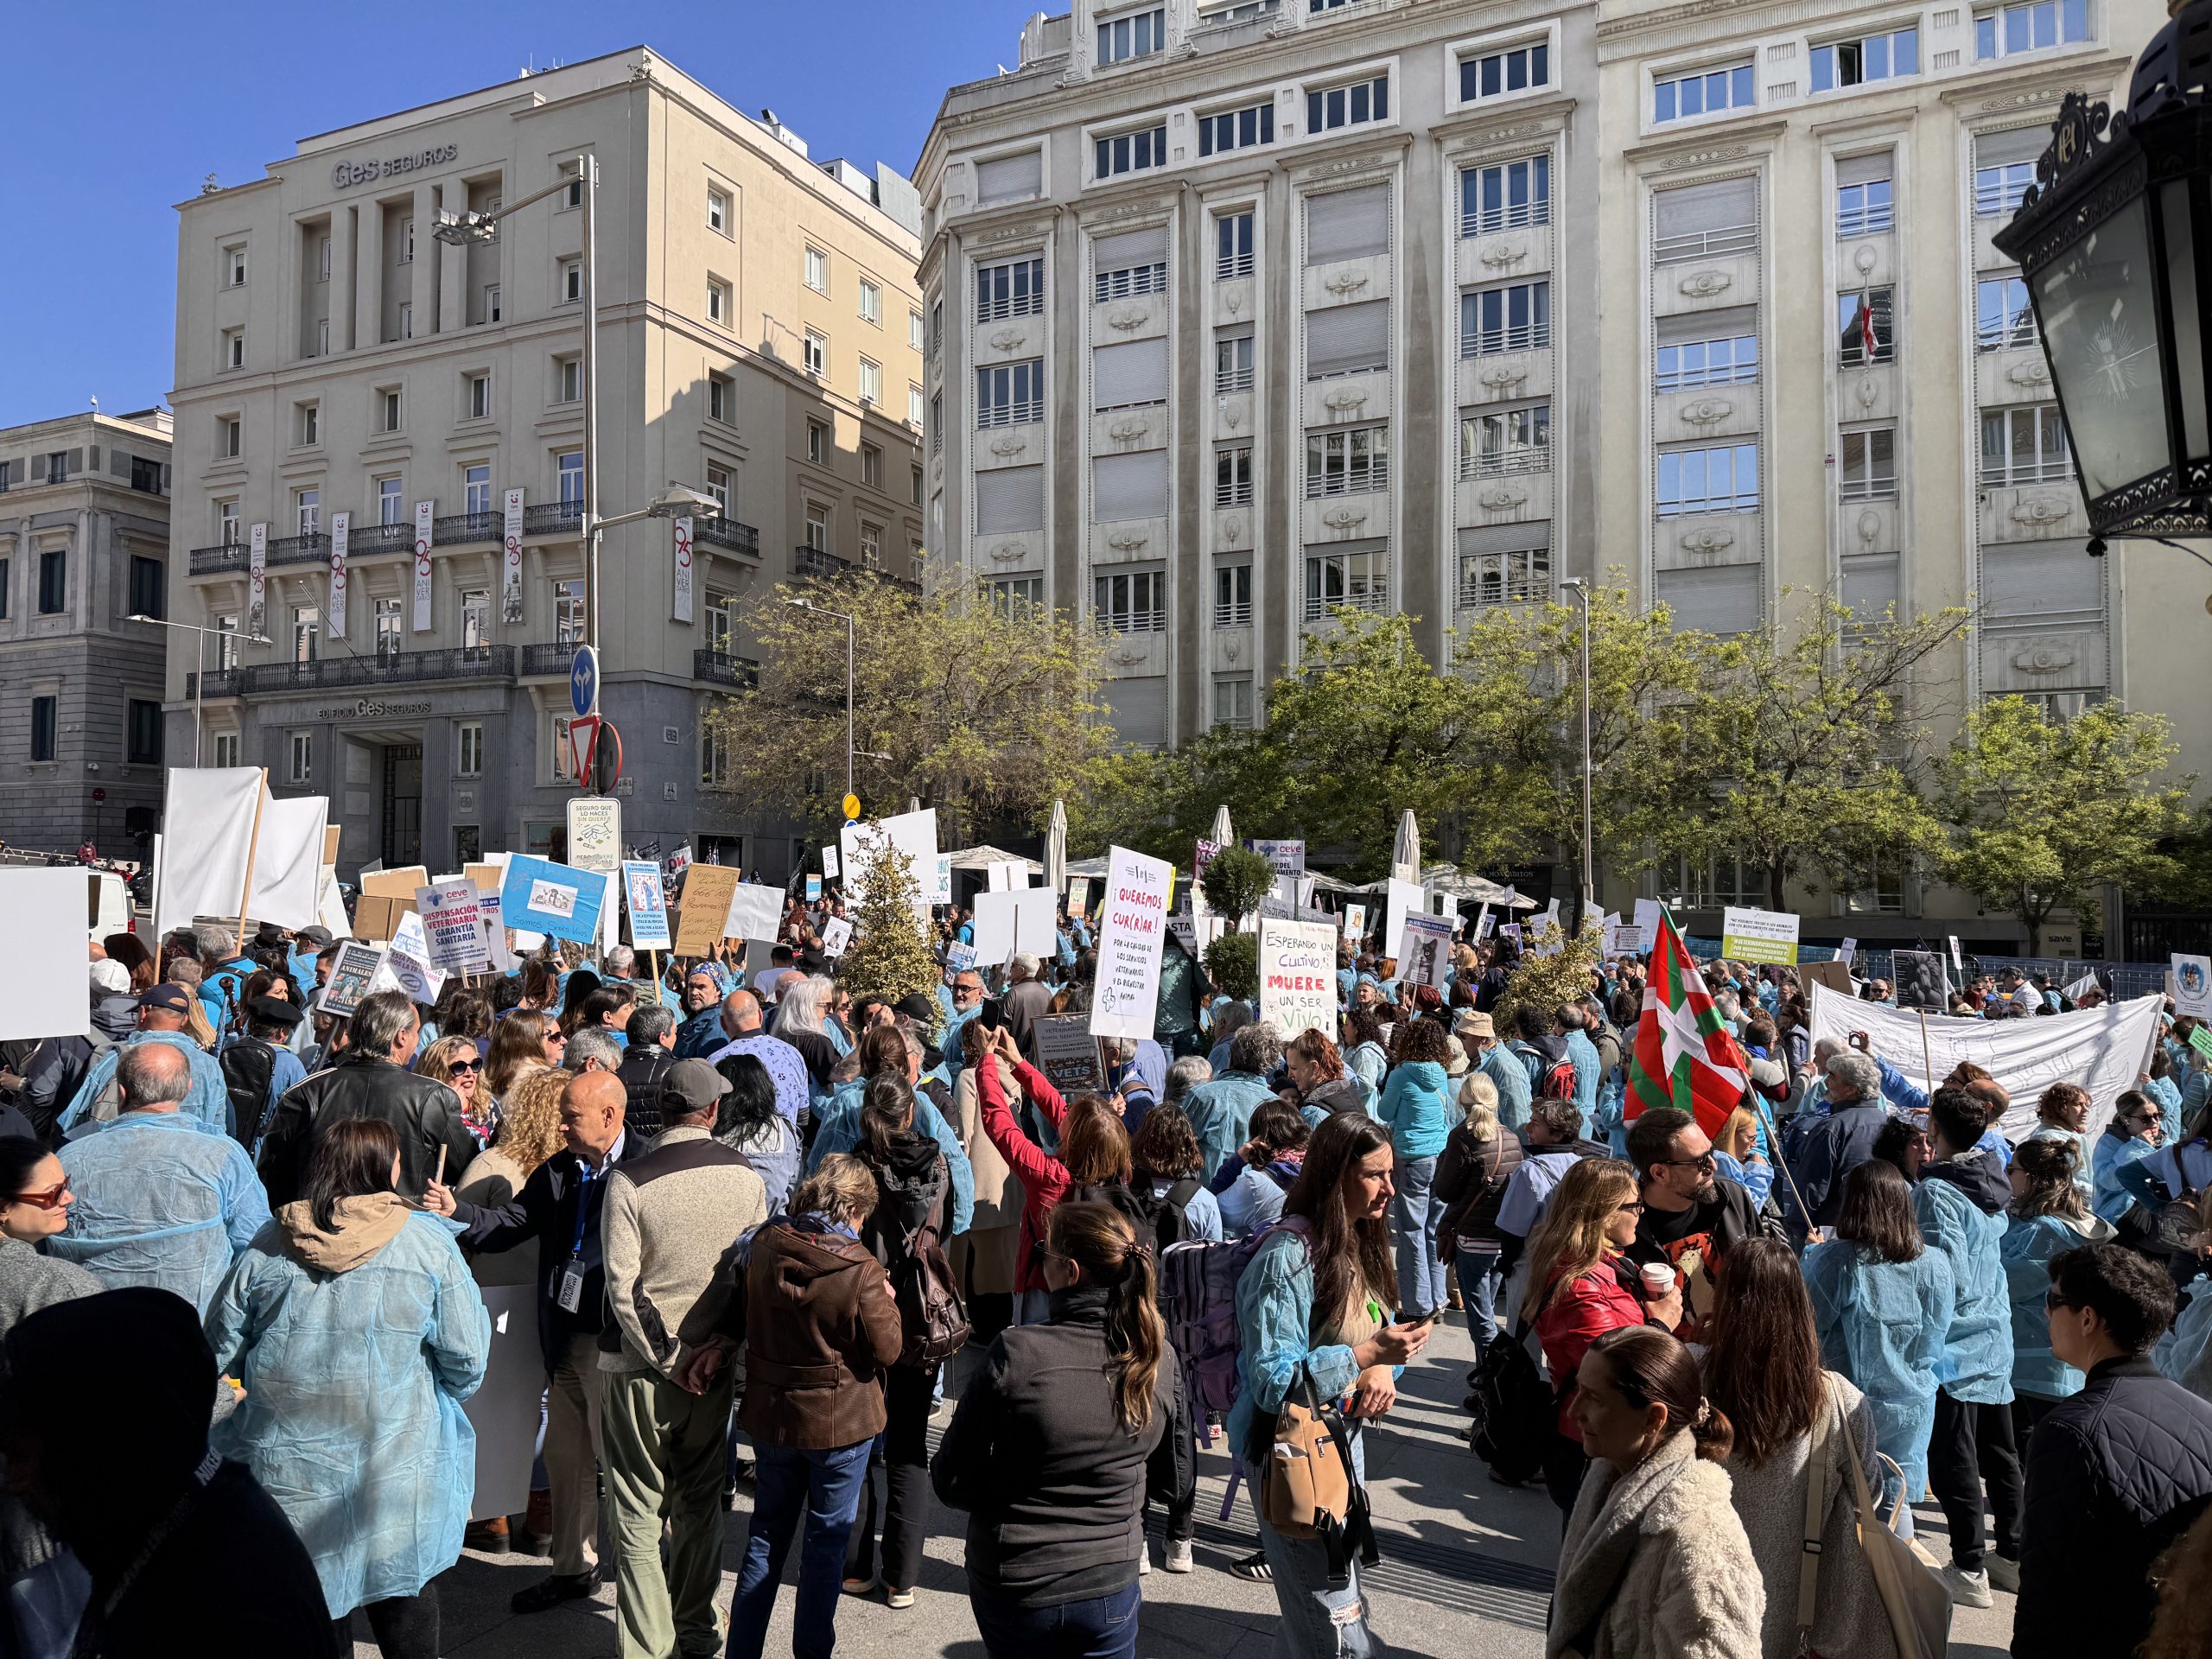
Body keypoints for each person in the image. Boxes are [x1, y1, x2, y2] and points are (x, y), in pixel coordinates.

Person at [208, 1116, 490, 1655]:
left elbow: (218, 1347)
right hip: (397, 1461)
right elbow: (467, 1358)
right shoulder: (426, 1245)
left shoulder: (269, 1242)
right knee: (404, 1596)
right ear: (389, 1168)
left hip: (289, 1469)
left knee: (313, 1611)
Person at [0, 1287, 340, 1657]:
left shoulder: (221, 1604)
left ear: (105, 1443)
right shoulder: (171, 1518)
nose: (16, 1483)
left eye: (24, 1456)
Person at [932, 1201, 1189, 1656]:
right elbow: (1175, 1481)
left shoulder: (1017, 1352)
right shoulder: (1158, 1357)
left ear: (1068, 1271)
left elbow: (951, 1479)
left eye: (1040, 1253)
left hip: (1017, 1577)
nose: (1036, 1261)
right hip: (1110, 1578)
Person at [431, 1070, 645, 1614]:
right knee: (567, 1457)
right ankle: (573, 1568)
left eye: (571, 1115)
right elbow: (512, 1222)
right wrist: (458, 1212)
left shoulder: (646, 1168)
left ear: (609, 1116)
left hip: (616, 1345)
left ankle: (654, 1585)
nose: (561, 1125)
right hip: (566, 1339)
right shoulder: (559, 1170)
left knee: (621, 1465)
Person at [1230, 1112, 1431, 1650]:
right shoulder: (1288, 1258)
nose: (1391, 1187)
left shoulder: (1361, 1241)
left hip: (1341, 1441)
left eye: (1393, 1172)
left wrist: (1386, 1365)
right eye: (1375, 1174)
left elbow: (1379, 1327)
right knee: (1333, 1612)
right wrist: (1364, 1354)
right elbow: (1273, 1381)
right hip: (1290, 1453)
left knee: (1322, 1605)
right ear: (1334, 1176)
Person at [598, 1058, 769, 1659]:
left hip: (643, 1371)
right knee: (700, 1506)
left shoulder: (629, 1180)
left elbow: (624, 1287)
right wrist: (717, 1350)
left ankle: (650, 1646)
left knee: (639, 1516)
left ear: (661, 1111)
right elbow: (751, 1276)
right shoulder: (746, 1176)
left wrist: (673, 1358)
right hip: (710, 1373)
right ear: (714, 1110)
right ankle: (696, 1631)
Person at [716, 1155, 905, 1659]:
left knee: (764, 1540)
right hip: (840, 1424)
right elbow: (887, 1350)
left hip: (774, 1418)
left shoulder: (764, 1243)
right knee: (825, 1549)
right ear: (854, 1210)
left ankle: (742, 1652)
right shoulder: (860, 1269)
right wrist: (887, 1297)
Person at [2014, 1243, 2212, 1659]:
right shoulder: (2205, 1418)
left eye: (2054, 1301)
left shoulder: (2071, 1430)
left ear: (2087, 1319)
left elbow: (2045, 1586)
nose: (2047, 1312)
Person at [1701, 1239, 1897, 1659]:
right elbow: (1871, 1494)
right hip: (1794, 1602)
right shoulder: (1838, 1398)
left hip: (1700, 1587)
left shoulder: (1690, 1374)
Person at [1548, 1325, 1765, 1659]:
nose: (1574, 1411)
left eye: (1594, 1398)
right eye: (1579, 1389)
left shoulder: (1700, 1546)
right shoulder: (1609, 1478)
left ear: (1653, 1419)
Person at [48, 1042, 269, 1315]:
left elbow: (44, 1242)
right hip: (188, 1329)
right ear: (187, 1090)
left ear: (122, 1091)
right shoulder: (223, 1154)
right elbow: (254, 1246)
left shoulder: (69, 1156)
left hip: (84, 1323)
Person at [842, 1073, 952, 1611]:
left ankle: (856, 1567)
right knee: (909, 1446)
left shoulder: (857, 1166)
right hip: (922, 1318)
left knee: (861, 1441)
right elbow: (947, 1229)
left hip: (867, 1310)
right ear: (911, 1114)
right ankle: (902, 1577)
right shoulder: (938, 1163)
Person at [1913, 1084, 2022, 1605]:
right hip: (1994, 1335)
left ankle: (1970, 1567)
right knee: (1999, 1454)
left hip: (1955, 1344)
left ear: (1933, 1130)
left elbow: (1943, 1272)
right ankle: (2012, 1556)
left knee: (1956, 1457)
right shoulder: (1989, 1177)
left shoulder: (1936, 1191)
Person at [1526, 1158, 1683, 1517]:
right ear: (1603, 1213)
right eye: (1633, 1205)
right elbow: (1609, 1370)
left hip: (1602, 1432)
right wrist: (1660, 1326)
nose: (1641, 1213)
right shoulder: (1581, 1284)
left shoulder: (1597, 1263)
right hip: (1590, 1441)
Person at [1802, 1160, 1953, 1532]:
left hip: (1847, 1405)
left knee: (1841, 1512)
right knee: (1894, 1505)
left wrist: (1812, 1255)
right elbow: (1938, 1331)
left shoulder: (1839, 1260)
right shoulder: (1935, 1262)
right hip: (1913, 1404)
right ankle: (1897, 1588)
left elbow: (1806, 1326)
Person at [257, 990, 479, 1205]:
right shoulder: (433, 1096)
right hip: (394, 1228)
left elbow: (272, 1176)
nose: (417, 1041)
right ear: (402, 1036)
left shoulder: (308, 1091)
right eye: (416, 1032)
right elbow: (468, 1171)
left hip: (329, 1227)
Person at [1624, 1106, 1785, 1341]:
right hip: (1673, 1364)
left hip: (1736, 1352)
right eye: (1700, 1162)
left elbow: (1763, 1276)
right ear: (1659, 1173)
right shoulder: (1626, 1227)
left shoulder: (1731, 1197)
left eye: (1711, 1153)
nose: (1714, 1166)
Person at [2001, 1136, 2114, 1445]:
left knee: (2034, 1442)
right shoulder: (2056, 1223)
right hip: (2049, 1357)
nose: (2006, 1175)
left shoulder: (2047, 1231)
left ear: (2034, 1178)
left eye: (2012, 1169)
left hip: (2034, 1359)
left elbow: (2011, 1283)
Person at [56, 982, 231, 1135]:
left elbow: (74, 1120)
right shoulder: (210, 1066)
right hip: (188, 1165)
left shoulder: (118, 1057)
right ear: (184, 1020)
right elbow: (218, 1126)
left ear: (143, 1013)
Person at [1434, 1071, 1522, 1357]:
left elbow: (1445, 1191)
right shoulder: (1511, 1138)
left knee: (1480, 1319)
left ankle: (1490, 1387)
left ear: (1462, 1099)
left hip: (1473, 1240)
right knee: (1487, 1307)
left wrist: (1443, 1162)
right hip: (1503, 1239)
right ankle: (1493, 1378)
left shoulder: (1461, 1137)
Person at [1376, 1015, 1454, 1321]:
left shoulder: (1400, 1074)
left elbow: (1384, 1111)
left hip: (1411, 1156)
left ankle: (1417, 1304)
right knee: (1433, 1228)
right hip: (1440, 1154)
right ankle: (1437, 1298)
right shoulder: (1442, 1074)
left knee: (1411, 1231)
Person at [1493, 1096, 1607, 1278]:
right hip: (1571, 1267)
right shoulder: (1580, 1164)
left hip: (1532, 1268)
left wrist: (1506, 1263)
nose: (1527, 1128)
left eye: (1535, 1124)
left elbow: (1512, 1231)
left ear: (1557, 1134)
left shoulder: (1529, 1171)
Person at [1789, 1050, 1891, 1233]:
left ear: (1852, 1088)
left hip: (1834, 1232)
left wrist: (1798, 1229)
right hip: (1881, 1228)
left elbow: (1811, 1189)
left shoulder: (1832, 1129)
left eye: (1833, 1077)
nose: (1826, 1082)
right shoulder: (1889, 1124)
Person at [1182, 1022, 1285, 1180]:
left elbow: (1178, 1147)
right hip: (1251, 1199)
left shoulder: (1202, 1095)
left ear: (1230, 1055)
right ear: (1267, 1065)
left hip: (1205, 1196)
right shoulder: (1277, 1106)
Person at [703, 988, 811, 1125]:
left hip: (734, 1144)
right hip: (787, 1143)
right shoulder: (791, 1053)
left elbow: (709, 1115)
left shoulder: (716, 1060)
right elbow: (802, 1114)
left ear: (723, 1023)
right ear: (760, 1015)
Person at [715, 1051, 803, 1214]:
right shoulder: (785, 1132)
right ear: (765, 1087)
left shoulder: (711, 1135)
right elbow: (793, 1187)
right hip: (770, 1230)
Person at [1129, 1103, 1223, 1246]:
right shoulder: (1204, 1202)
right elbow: (1213, 1259)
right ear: (1189, 1145)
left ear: (1142, 1139)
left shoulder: (1126, 1191)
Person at [1214, 1098, 1309, 1239]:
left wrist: (1236, 1162)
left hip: (1262, 1259)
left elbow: (1211, 1211)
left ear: (1259, 1140)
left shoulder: (1255, 1183)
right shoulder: (1314, 1170)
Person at [2093, 1089, 2165, 1224]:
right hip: (2119, 1216)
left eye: (2157, 1115)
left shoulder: (2164, 1142)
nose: (2154, 1122)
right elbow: (2108, 1181)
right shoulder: (2109, 1142)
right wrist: (2138, 1147)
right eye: (2145, 1118)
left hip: (2158, 1215)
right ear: (2126, 1120)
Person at [1454, 1010, 1533, 1135]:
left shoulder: (1507, 1070)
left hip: (1500, 1147)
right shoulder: (1479, 1059)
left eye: (1463, 1036)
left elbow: (1518, 1121)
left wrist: (1514, 1152)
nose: (1459, 1041)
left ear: (1483, 1040)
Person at [613, 1002, 679, 1140]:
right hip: (666, 1152)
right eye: (675, 1032)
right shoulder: (679, 1072)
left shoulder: (612, 1073)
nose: (675, 1038)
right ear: (662, 1037)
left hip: (625, 1156)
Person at [416, 1032, 491, 1146]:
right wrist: (449, 1112)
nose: (470, 1073)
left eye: (475, 1064)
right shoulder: (423, 1115)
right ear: (436, 1073)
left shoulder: (490, 1107)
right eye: (460, 1067)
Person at [2024, 1081, 2096, 1197]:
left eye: (2086, 1105)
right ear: (2059, 1107)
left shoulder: (2073, 1135)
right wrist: (2092, 1191)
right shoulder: (2047, 1137)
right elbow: (2053, 1180)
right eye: (2078, 1104)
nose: (2085, 1110)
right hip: (2060, 1207)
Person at [1283, 1028, 1365, 1126]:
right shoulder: (1347, 1091)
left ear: (1314, 1067)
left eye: (1294, 1068)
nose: (1289, 1075)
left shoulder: (1314, 1113)